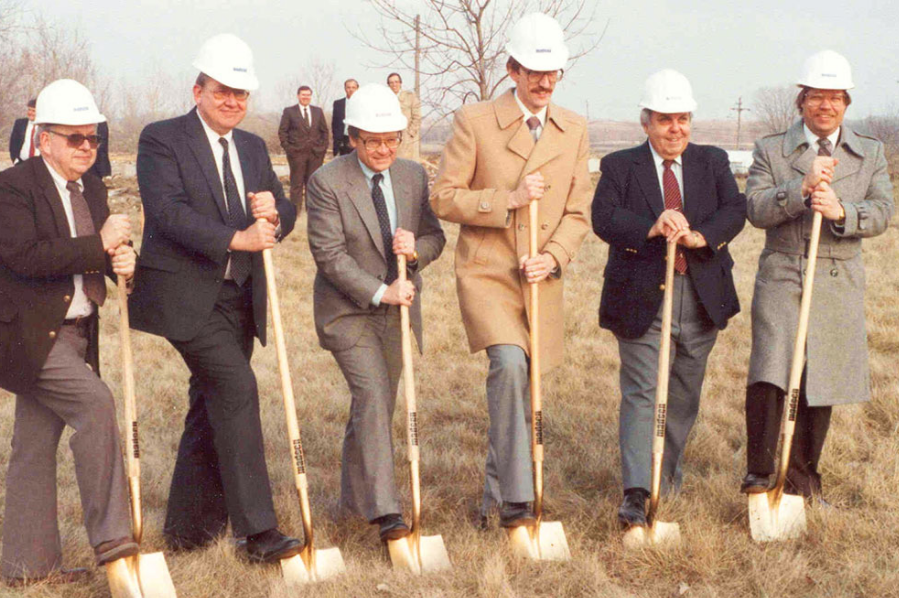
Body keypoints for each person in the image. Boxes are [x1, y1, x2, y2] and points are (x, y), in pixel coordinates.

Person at [0, 79, 139, 584]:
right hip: (28, 337)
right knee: (96, 405)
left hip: (78, 332)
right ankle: (115, 543)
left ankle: (26, 569)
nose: (85, 147)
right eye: (73, 137)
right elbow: (26, 256)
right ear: (44, 139)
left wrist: (123, 259)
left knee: (33, 443)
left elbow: (97, 255)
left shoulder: (91, 187)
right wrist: (100, 244)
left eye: (92, 138)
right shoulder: (14, 187)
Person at [128, 33, 302, 564]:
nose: (233, 103)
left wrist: (276, 212)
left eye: (242, 95)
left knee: (208, 405)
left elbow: (282, 213)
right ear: (198, 89)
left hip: (239, 298)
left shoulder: (250, 147)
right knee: (235, 388)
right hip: (185, 297)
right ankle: (257, 532)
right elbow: (168, 212)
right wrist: (237, 238)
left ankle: (186, 530)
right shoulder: (161, 139)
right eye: (223, 92)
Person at [430, 13, 591, 529]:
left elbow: (577, 212)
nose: (544, 83)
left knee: (526, 387)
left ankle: (495, 499)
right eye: (533, 72)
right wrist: (510, 199)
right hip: (489, 274)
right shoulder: (474, 122)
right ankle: (519, 501)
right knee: (509, 367)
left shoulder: (575, 129)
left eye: (553, 73)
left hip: (538, 277)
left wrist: (556, 256)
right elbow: (443, 197)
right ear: (512, 70)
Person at [591, 70, 747, 528]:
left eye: (682, 118)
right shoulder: (620, 166)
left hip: (700, 295)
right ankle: (637, 494)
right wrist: (651, 227)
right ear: (646, 123)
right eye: (664, 119)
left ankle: (665, 475)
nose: (675, 128)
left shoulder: (712, 161)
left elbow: (734, 209)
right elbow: (603, 218)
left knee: (682, 392)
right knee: (642, 393)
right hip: (641, 296)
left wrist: (703, 236)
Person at [742, 50, 894, 501]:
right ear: (801, 101)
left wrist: (844, 211)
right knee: (772, 368)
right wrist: (800, 189)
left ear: (846, 103)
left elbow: (885, 211)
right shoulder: (772, 149)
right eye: (816, 97)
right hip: (783, 272)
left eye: (834, 98)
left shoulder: (870, 153)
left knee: (819, 378)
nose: (825, 106)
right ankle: (760, 474)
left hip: (837, 278)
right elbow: (755, 208)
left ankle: (803, 480)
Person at [307, 84, 445, 542]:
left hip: (398, 310)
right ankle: (387, 514)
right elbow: (329, 256)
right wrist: (381, 291)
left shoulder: (411, 175)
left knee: (377, 405)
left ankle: (353, 501)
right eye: (373, 141)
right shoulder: (327, 182)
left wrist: (416, 252)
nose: (384, 149)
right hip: (348, 312)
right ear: (352, 138)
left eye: (392, 139)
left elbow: (434, 236)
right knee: (371, 394)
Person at [278, 85, 329, 209]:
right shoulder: (289, 111)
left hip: (315, 153)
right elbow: (282, 131)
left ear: (310, 96)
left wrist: (322, 149)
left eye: (308, 95)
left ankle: (311, 209)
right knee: (296, 183)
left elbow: (325, 131)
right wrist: (289, 149)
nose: (306, 97)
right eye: (303, 94)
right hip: (296, 154)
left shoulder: (318, 111)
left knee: (313, 183)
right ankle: (295, 211)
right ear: (298, 96)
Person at [386, 73, 421, 162]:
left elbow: (417, 116)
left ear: (400, 83)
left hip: (407, 137)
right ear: (388, 85)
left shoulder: (410, 96)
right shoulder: (385, 98)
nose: (394, 85)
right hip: (390, 136)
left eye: (396, 82)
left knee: (408, 164)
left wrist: (411, 133)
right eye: (391, 83)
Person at [332, 78, 359, 157]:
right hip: (343, 140)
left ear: (357, 88)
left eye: (353, 87)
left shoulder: (363, 103)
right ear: (345, 89)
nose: (351, 90)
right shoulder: (338, 103)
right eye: (348, 87)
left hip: (357, 139)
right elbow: (334, 124)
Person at [9, 99, 37, 165]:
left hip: (38, 165)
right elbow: (13, 144)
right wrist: (15, 160)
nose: (30, 113)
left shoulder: (44, 127)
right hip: (22, 163)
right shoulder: (20, 123)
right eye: (29, 110)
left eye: (33, 111)